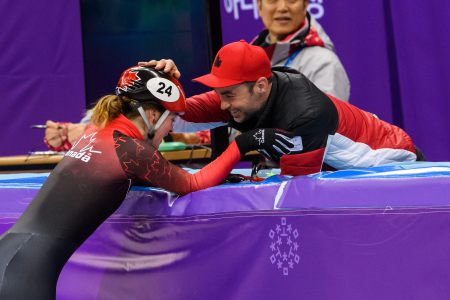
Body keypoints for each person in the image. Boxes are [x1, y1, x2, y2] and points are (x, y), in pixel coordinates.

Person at [0, 66, 295, 299]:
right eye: (172, 119)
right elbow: (192, 184)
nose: (171, 129)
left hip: (12, 252)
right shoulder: (130, 150)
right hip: (26, 271)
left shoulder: (99, 129)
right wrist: (244, 142)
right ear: (152, 114)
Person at [142, 40, 425, 176]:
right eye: (219, 93)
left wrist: (236, 158)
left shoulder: (304, 114)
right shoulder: (242, 94)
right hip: (335, 161)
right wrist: (159, 86)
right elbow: (175, 119)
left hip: (392, 158)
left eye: (228, 94)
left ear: (262, 86)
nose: (222, 104)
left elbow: (296, 195)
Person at [252, 0, 350, 101]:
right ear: (259, 6)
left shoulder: (324, 62)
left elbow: (328, 116)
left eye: (292, 0)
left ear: (305, 5)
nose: (282, 7)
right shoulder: (251, 60)